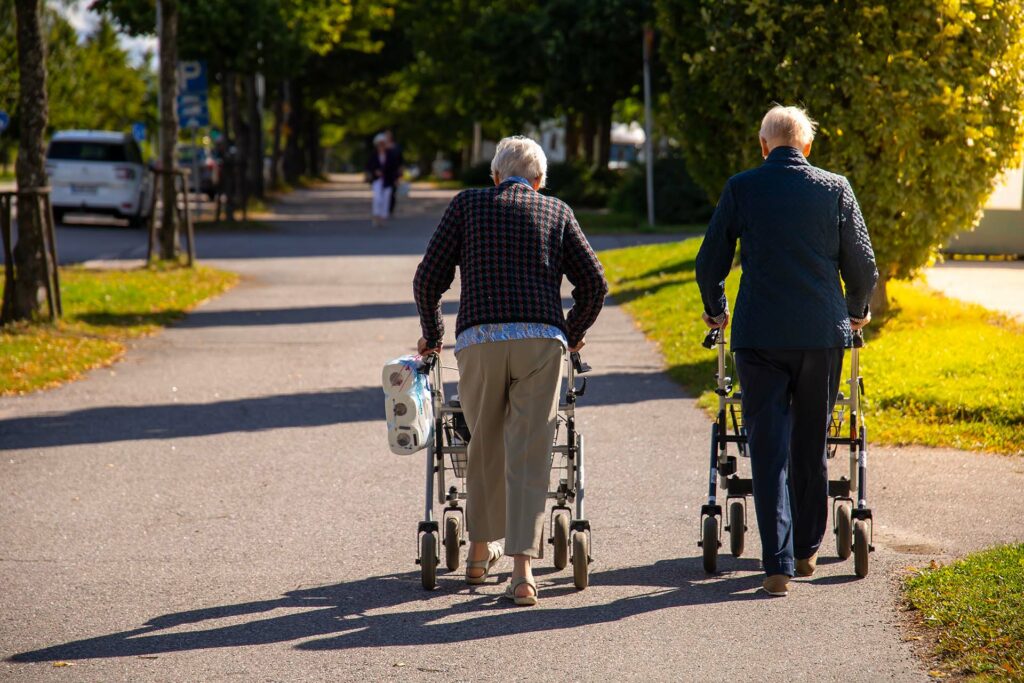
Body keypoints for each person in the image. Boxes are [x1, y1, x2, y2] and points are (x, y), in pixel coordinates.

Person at [413, 136, 607, 606]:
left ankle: (478, 556)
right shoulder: (556, 211)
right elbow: (595, 283)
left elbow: (428, 279)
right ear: (539, 182)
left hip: (480, 341)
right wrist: (572, 331)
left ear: (495, 177)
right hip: (540, 342)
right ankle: (523, 573)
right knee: (530, 448)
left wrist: (433, 333)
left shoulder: (467, 205)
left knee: (484, 444)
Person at [695, 105, 878, 597]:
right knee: (810, 444)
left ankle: (775, 563)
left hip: (759, 335)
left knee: (768, 446)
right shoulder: (834, 187)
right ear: (807, 147)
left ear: (763, 146)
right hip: (820, 333)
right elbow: (862, 263)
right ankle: (805, 551)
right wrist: (857, 309)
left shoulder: (741, 187)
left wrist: (717, 310)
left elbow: (709, 261)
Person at [366, 132, 401, 227]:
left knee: (386, 198)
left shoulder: (390, 155)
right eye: (379, 144)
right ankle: (376, 215)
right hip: (377, 180)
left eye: (383, 144)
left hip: (388, 180)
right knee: (377, 198)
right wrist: (375, 171)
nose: (381, 146)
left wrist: (396, 178)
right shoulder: (374, 155)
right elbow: (369, 166)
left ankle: (383, 217)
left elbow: (395, 168)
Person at [385, 130, 404, 215]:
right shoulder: (382, 146)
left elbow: (400, 160)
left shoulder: (396, 147)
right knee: (385, 191)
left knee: (393, 191)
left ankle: (390, 209)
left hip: (394, 172)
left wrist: (400, 171)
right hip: (385, 172)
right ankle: (384, 208)